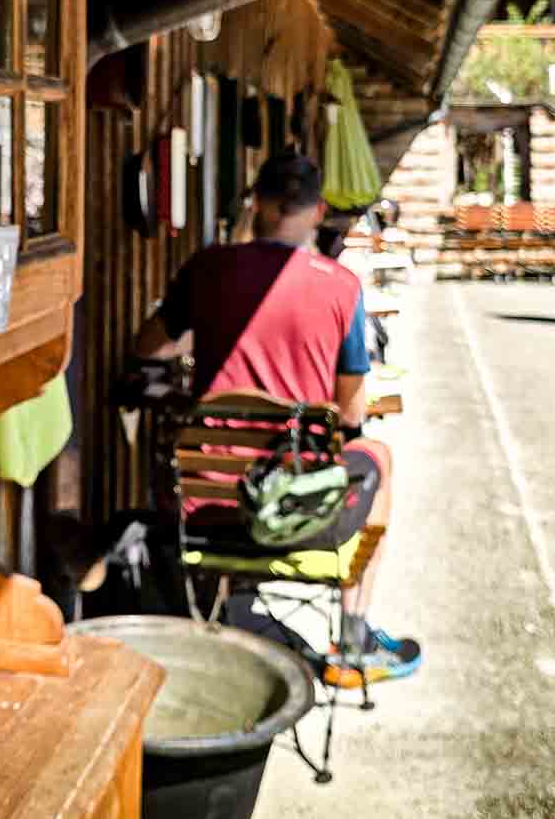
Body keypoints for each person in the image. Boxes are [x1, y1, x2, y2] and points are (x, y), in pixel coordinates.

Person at [135, 153, 418, 687]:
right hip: (297, 509)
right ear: (319, 211)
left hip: (204, 507)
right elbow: (352, 412)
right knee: (378, 456)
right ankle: (352, 638)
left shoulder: (208, 268)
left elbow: (148, 346)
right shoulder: (340, 286)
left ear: (256, 203)